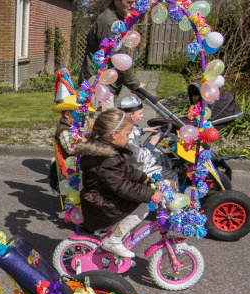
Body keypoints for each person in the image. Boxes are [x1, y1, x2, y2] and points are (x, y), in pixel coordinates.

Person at [74, 109, 162, 258]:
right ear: (114, 134)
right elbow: (123, 188)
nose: (128, 138)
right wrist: (150, 193)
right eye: (127, 134)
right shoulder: (107, 159)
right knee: (142, 208)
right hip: (101, 203)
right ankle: (114, 241)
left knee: (136, 207)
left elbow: (126, 170)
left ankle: (115, 252)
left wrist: (144, 178)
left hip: (103, 197)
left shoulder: (107, 150)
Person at [79, 0, 144, 110]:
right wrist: (135, 85)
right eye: (129, 2)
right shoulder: (110, 22)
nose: (133, 5)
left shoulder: (117, 19)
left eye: (135, 2)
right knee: (103, 124)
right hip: (98, 87)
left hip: (103, 85)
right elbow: (119, 58)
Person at [118, 96, 179, 183]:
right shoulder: (128, 136)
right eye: (139, 113)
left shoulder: (126, 126)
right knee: (172, 174)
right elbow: (140, 158)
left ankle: (171, 168)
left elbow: (135, 132)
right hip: (138, 168)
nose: (142, 116)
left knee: (159, 152)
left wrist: (144, 130)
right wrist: (151, 144)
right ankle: (171, 193)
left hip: (135, 163)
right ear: (130, 115)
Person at [48, 95, 81, 193]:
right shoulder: (64, 131)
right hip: (72, 164)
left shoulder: (73, 126)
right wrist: (85, 145)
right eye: (76, 113)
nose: (79, 115)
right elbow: (71, 150)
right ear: (67, 114)